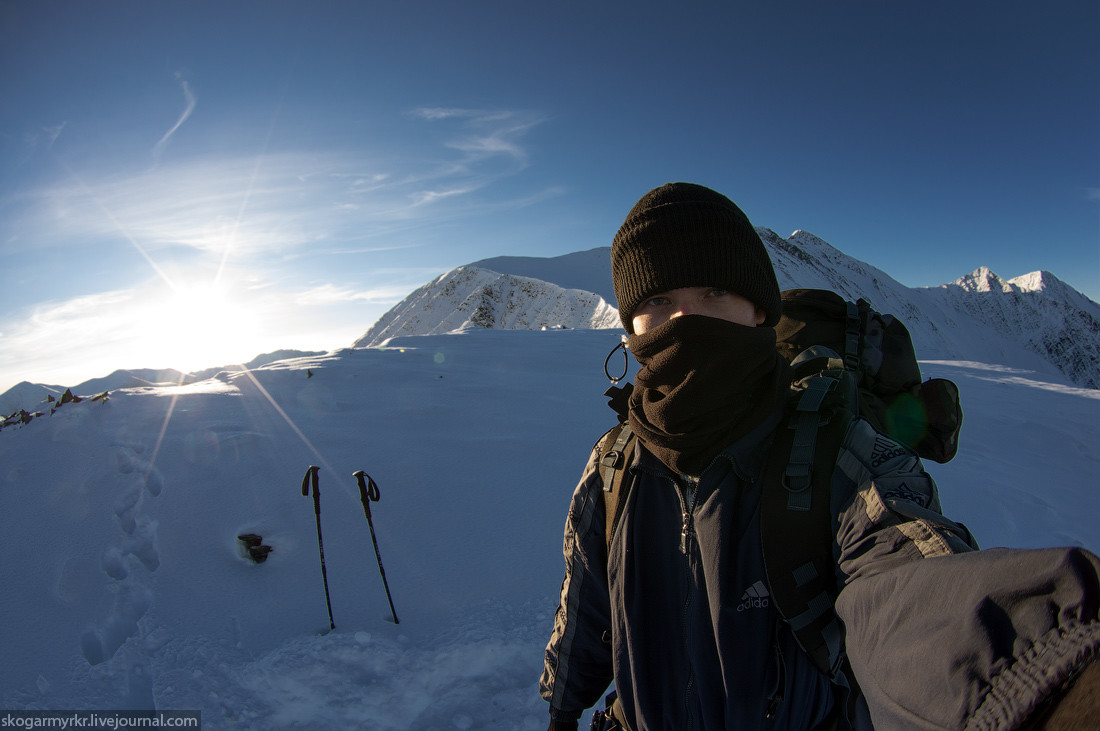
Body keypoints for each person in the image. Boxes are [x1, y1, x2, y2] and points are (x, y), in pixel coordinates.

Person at [539, 182, 1100, 730]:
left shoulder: (845, 458)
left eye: (714, 292)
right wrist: (562, 711)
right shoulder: (613, 466)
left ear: (760, 312)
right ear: (630, 326)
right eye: (658, 300)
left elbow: (919, 592)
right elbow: (586, 612)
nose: (686, 320)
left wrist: (1045, 677)